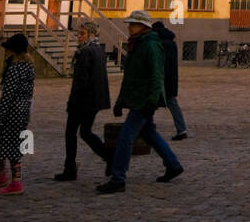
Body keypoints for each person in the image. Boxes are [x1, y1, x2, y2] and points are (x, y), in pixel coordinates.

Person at [97, 10, 183, 194]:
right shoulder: (137, 44)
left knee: (125, 137)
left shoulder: (150, 45)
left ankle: (118, 178)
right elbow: (131, 77)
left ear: (142, 27)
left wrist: (152, 100)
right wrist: (121, 101)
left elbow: (156, 75)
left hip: (144, 100)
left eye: (132, 24)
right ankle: (173, 164)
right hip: (138, 98)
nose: (128, 27)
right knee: (149, 133)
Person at [55, 18, 111, 181]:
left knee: (71, 133)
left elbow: (81, 80)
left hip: (83, 101)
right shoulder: (97, 49)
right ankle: (108, 157)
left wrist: (73, 101)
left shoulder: (85, 52)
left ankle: (70, 168)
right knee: (85, 132)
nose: (78, 36)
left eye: (82, 33)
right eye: (78, 33)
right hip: (94, 100)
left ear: (90, 34)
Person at [0, 33, 34, 196]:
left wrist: (0, 115)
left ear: (13, 51)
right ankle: (1, 175)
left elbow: (8, 95)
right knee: (4, 141)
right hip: (24, 110)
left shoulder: (14, 68)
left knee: (8, 144)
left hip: (12, 111)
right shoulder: (29, 67)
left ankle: (15, 181)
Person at [151, 20, 188, 140]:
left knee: (149, 104)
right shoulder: (171, 43)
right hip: (171, 78)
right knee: (172, 103)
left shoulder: (159, 43)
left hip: (161, 79)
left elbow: (160, 63)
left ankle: (146, 128)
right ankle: (181, 129)